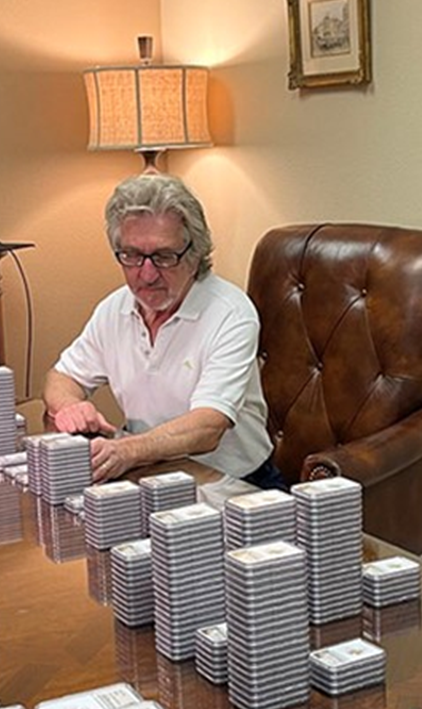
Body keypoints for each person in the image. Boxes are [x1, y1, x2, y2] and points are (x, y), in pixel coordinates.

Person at [43, 174, 280, 486]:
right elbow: (60, 378)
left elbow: (208, 426)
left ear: (195, 255)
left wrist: (126, 450)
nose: (147, 274)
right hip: (148, 475)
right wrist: (71, 406)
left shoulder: (231, 314)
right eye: (132, 256)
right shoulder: (114, 308)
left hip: (234, 484)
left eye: (163, 256)